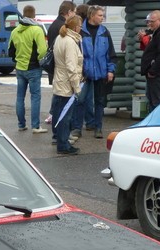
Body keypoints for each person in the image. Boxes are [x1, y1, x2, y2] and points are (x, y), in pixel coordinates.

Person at [75, 5, 115, 140]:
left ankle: (98, 128)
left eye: (102, 15)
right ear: (91, 16)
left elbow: (110, 54)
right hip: (84, 74)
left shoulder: (104, 31)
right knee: (80, 100)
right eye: (100, 15)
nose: (102, 18)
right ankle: (77, 128)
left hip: (101, 72)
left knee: (100, 101)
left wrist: (110, 70)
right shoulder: (81, 31)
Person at [9, 5, 47, 132]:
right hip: (33, 68)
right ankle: (35, 126)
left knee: (20, 97)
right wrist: (38, 60)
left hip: (20, 68)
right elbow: (42, 50)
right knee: (35, 97)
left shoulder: (15, 31)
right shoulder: (36, 30)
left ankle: (21, 125)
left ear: (23, 14)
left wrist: (17, 60)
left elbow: (11, 51)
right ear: (34, 15)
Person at [51, 14, 83, 156]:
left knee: (58, 113)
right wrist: (77, 87)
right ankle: (63, 144)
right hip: (67, 84)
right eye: (80, 26)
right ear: (75, 27)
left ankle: (58, 139)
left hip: (59, 80)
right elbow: (71, 67)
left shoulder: (60, 38)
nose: (81, 29)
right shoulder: (70, 42)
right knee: (65, 116)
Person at [44, 1, 76, 123]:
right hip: (62, 69)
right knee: (62, 100)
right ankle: (55, 119)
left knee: (57, 95)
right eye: (74, 12)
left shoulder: (53, 25)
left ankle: (53, 116)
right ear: (69, 12)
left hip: (55, 67)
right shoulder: (63, 27)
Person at [140, 10, 160, 112]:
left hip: (156, 73)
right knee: (151, 98)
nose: (149, 24)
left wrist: (153, 71)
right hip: (152, 72)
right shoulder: (156, 32)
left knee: (157, 100)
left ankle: (159, 124)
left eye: (152, 21)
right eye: (147, 21)